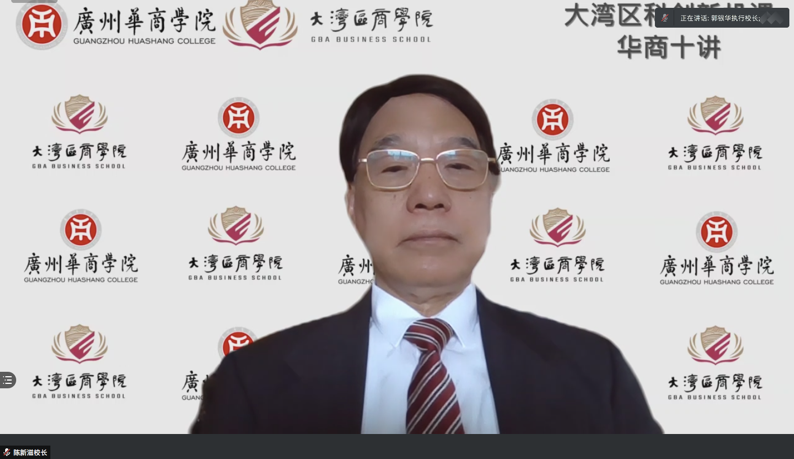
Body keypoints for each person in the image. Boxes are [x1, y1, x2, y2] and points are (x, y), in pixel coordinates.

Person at [190, 74, 662, 434]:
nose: (430, 196)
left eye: (459, 165)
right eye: (394, 168)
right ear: (354, 205)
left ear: (490, 193)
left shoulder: (594, 372)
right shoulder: (254, 382)